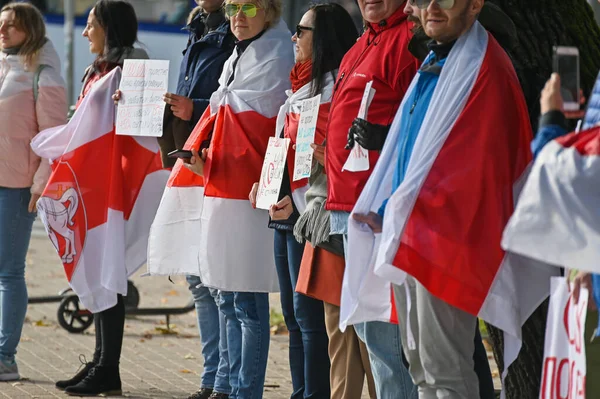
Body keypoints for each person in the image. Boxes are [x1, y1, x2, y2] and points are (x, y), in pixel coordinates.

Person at [351, 0, 536, 396]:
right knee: (420, 366)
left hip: (448, 240)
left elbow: (479, 171)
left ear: (474, 5)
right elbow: (415, 157)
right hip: (415, 233)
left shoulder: (484, 68)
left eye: (446, 0)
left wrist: (405, 212)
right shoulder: (439, 60)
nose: (431, 7)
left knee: (444, 371)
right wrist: (387, 211)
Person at [147, 0, 294, 398]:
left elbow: (262, 122)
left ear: (270, 10)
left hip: (246, 189)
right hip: (218, 180)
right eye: (233, 7)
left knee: (246, 300)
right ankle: (226, 386)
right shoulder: (238, 51)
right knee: (224, 293)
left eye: (249, 7)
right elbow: (219, 107)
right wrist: (198, 152)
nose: (238, 16)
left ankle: (246, 391)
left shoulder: (278, 52)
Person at [247, 4, 358, 398]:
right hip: (286, 213)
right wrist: (268, 187)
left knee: (311, 320)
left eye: (302, 30)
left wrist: (297, 202)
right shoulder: (299, 88)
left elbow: (327, 162)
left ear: (324, 36)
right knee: (294, 318)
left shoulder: (333, 91)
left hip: (311, 217)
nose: (294, 37)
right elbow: (291, 151)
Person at [311, 0, 419, 397]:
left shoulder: (407, 39)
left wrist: (385, 134)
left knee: (386, 341)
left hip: (377, 210)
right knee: (368, 332)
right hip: (346, 208)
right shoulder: (363, 42)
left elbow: (422, 120)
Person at [52, 1, 149, 396]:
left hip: (117, 188)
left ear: (109, 28)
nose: (84, 32)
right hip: (94, 187)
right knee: (98, 272)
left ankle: (109, 368)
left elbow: (143, 129)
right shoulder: (99, 70)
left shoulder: (135, 65)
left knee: (110, 275)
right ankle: (99, 362)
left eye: (90, 25)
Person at [161, 1, 235, 398]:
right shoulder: (198, 29)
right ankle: (211, 379)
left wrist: (195, 108)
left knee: (216, 283)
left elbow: (238, 106)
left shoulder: (235, 32)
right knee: (198, 281)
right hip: (190, 162)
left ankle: (223, 381)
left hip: (217, 167)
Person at [0, 1, 66, 381]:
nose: (4, 30)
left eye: (12, 25)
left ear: (31, 30)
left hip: (17, 187)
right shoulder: (4, 65)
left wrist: (40, 185)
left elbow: (52, 138)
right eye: (2, 24)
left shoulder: (43, 71)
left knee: (9, 272)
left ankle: (6, 357)